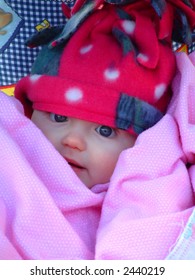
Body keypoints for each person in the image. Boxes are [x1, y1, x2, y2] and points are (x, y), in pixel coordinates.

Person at [14, 0, 177, 188]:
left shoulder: (149, 198)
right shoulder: (10, 167)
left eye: (105, 131)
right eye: (58, 117)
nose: (72, 141)